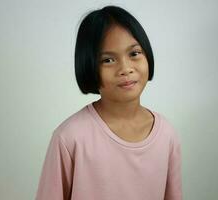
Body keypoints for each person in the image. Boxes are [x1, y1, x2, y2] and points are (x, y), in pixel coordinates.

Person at [36, 5, 182, 200]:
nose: (125, 68)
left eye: (134, 53)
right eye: (108, 60)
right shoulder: (70, 138)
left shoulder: (167, 134)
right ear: (88, 66)